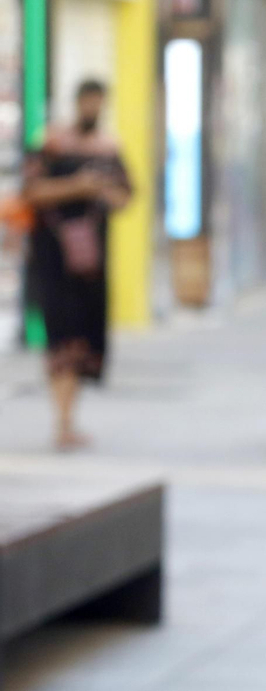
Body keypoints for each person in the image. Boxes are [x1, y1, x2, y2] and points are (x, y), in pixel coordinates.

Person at [21, 79, 132, 450]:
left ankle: (68, 419)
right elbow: (31, 191)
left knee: (84, 342)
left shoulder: (108, 148)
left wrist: (105, 194)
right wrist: (79, 187)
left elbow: (127, 194)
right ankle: (62, 420)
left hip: (91, 263)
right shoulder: (52, 144)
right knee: (61, 340)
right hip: (55, 260)